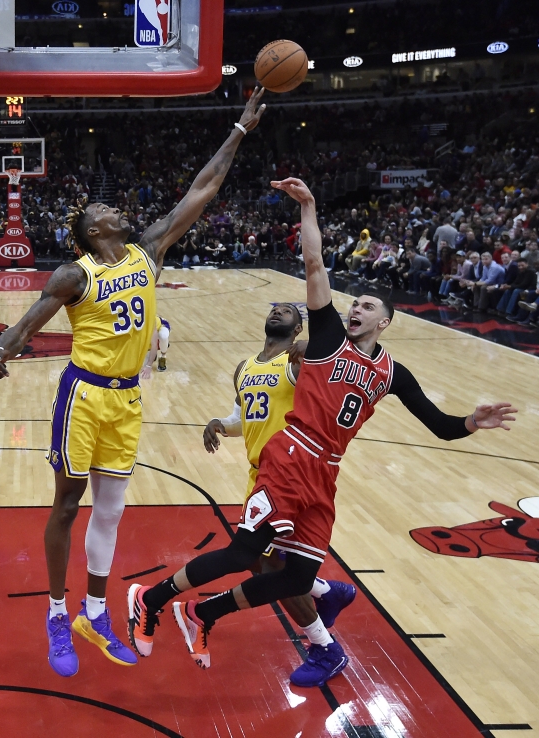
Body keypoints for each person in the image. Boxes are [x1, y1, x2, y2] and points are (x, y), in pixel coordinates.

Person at [126, 177, 517, 682]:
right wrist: (309, 208)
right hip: (290, 456)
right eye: (354, 303)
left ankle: (205, 613)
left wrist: (471, 421)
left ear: (386, 323)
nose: (356, 308)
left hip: (325, 472)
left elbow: (439, 426)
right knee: (246, 553)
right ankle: (151, 598)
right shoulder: (329, 337)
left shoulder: (393, 372)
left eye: (368, 307)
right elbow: (314, 266)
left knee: (298, 575)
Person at [0, 88, 268, 678]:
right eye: (101, 211)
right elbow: (29, 320)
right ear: (91, 232)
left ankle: (94, 611)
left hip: (129, 400)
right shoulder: (73, 273)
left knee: (109, 513)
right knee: (66, 505)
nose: (111, 208)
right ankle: (57, 614)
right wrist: (0, 351)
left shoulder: (147, 251)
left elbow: (202, 189)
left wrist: (238, 130)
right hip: (83, 396)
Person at [183, 303, 357, 687]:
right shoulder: (244, 368)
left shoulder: (298, 364)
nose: (278, 313)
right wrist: (218, 424)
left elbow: (338, 357)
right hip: (260, 474)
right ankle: (328, 592)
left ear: (297, 329)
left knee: (266, 567)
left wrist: (313, 345)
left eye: (288, 312)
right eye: (274, 309)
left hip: (290, 476)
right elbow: (244, 417)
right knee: (272, 564)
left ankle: (325, 646)